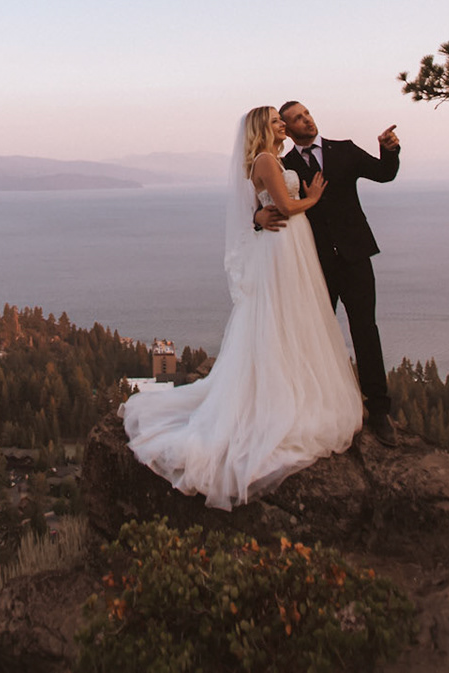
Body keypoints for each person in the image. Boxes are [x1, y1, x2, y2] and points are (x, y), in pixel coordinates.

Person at [122, 106, 363, 509]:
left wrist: (260, 212)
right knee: (286, 313)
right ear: (261, 128)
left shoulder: (269, 159)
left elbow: (258, 204)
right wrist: (313, 197)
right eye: (275, 119)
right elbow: (285, 207)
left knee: (291, 314)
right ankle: (283, 395)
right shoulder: (267, 160)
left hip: (287, 242)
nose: (282, 123)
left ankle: (293, 383)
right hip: (285, 241)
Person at [255, 102, 402, 445]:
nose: (307, 120)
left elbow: (384, 173)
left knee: (365, 329)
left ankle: (378, 411)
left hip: (355, 256)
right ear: (287, 130)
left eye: (307, 114)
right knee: (314, 332)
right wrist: (257, 218)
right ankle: (312, 403)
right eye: (296, 119)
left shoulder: (345, 150)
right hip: (313, 263)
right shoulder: (283, 164)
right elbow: (260, 203)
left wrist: (389, 150)